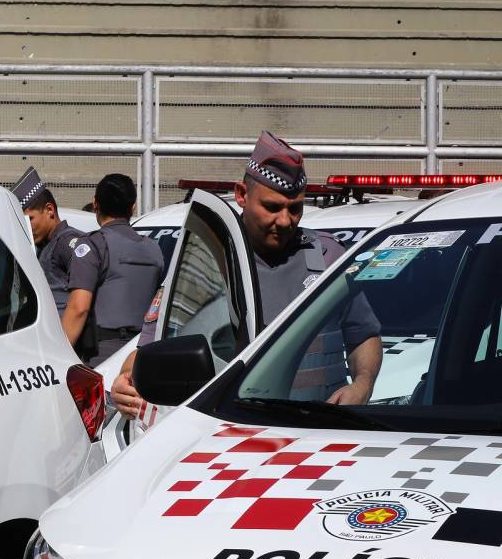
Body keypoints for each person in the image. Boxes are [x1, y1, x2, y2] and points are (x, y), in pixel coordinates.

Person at [111, 131, 382, 416]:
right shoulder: (205, 262)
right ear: (241, 194)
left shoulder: (329, 258)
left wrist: (363, 383)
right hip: (232, 429)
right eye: (272, 207)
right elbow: (149, 351)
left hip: (318, 428)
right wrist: (126, 382)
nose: (285, 220)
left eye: (295, 209)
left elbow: (364, 334)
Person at [66, 174, 165, 365]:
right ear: (132, 207)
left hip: (100, 356)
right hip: (142, 356)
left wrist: (56, 357)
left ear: (95, 204)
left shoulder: (93, 244)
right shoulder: (154, 248)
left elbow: (79, 308)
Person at [12, 167, 88, 350]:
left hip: (66, 345)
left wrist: (61, 349)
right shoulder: (44, 247)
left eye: (30, 219)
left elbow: (81, 303)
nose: (27, 227)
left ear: (49, 210)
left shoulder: (67, 243)